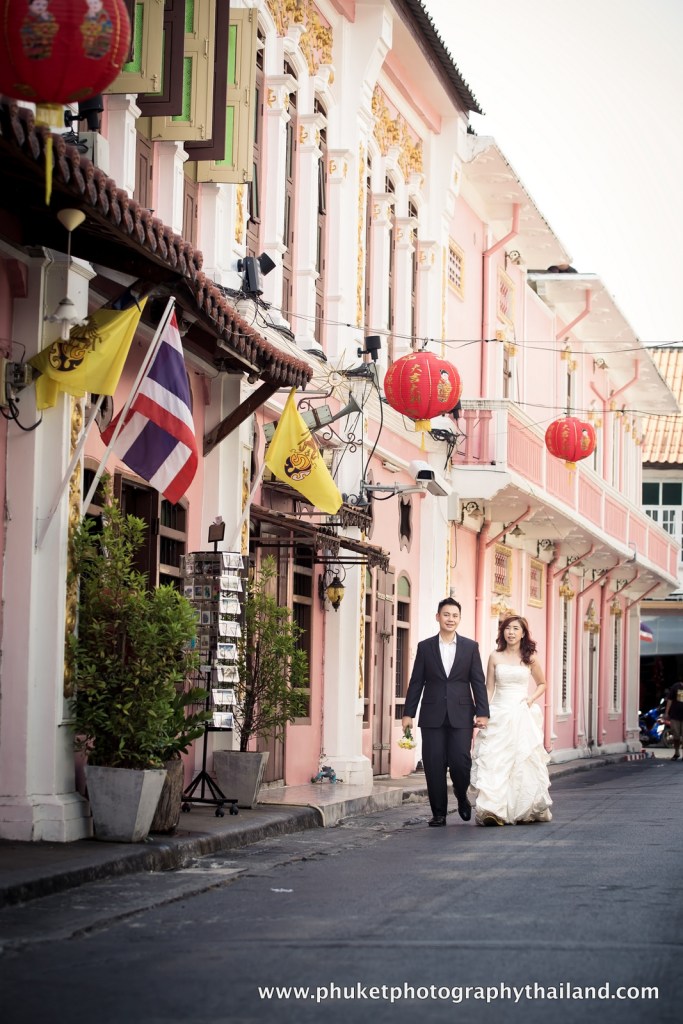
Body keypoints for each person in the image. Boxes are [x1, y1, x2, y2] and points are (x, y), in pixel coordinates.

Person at [402, 598, 489, 827]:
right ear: (438, 617)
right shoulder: (425, 647)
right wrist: (408, 713)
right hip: (432, 714)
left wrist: (482, 712)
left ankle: (461, 795)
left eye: (455, 615)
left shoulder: (470, 647)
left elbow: (477, 681)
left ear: (459, 619)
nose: (450, 619)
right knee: (433, 763)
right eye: (446, 614)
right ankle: (438, 813)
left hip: (461, 714)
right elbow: (416, 682)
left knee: (461, 762)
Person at [468, 615, 553, 826]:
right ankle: (493, 810)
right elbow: (489, 688)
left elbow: (542, 683)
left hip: (521, 712)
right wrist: (482, 712)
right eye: (507, 628)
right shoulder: (495, 656)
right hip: (499, 711)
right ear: (502, 632)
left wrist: (531, 699)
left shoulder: (529, 658)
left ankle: (523, 808)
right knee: (495, 761)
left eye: (516, 629)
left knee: (521, 762)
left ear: (523, 633)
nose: (511, 632)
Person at [664, 680, 683, 760]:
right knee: (676, 735)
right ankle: (676, 752)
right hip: (675, 715)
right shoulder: (676, 686)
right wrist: (666, 713)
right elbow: (670, 700)